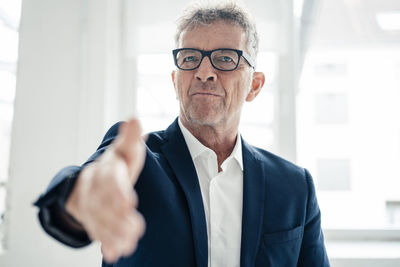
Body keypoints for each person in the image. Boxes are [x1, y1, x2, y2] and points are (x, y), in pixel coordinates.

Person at [34, 2, 330, 267]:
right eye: (189, 58)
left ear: (255, 85)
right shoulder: (136, 159)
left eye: (225, 58)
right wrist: (80, 197)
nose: (204, 71)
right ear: (176, 81)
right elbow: (93, 179)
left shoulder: (295, 187)